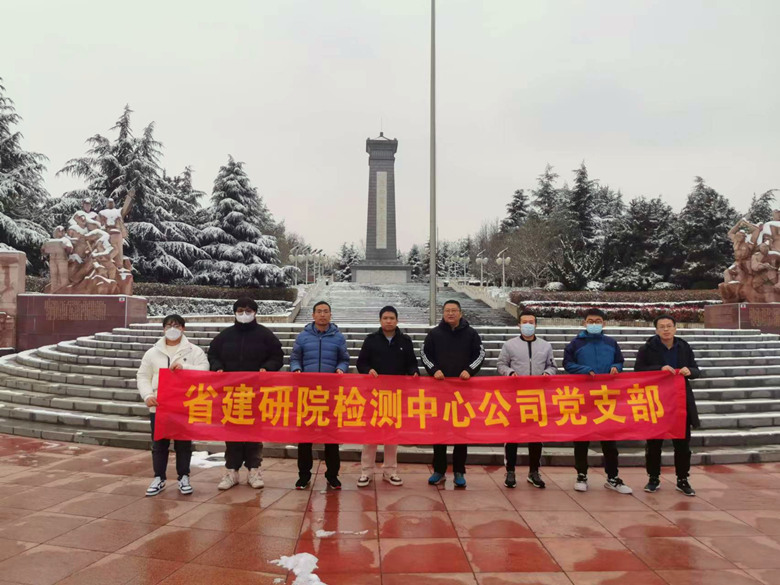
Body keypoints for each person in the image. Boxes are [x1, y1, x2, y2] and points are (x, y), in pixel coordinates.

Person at [208, 297, 283, 491]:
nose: (244, 314)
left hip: (256, 393)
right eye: (240, 310)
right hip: (231, 393)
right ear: (234, 312)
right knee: (232, 433)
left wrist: (267, 368)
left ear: (255, 313)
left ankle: (254, 470)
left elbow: (277, 356)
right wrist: (217, 366)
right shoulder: (225, 335)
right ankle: (231, 471)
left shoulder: (265, 335)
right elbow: (213, 354)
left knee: (254, 433)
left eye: (248, 311)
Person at [137, 314, 209, 496]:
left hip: (183, 405)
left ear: (183, 328)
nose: (172, 329)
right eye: (168, 325)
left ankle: (183, 476)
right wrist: (147, 395)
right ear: (163, 328)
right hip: (159, 404)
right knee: (159, 443)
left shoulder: (193, 351)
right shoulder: (152, 352)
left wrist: (186, 368)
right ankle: (159, 477)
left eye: (176, 325)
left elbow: (205, 370)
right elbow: (143, 376)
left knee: (183, 443)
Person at [563, 308, 632, 494]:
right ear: (584, 323)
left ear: (604, 324)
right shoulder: (575, 344)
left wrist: (616, 367)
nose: (594, 324)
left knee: (609, 441)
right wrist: (584, 370)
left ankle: (612, 477)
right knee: (581, 439)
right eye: (591, 321)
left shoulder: (611, 343)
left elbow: (620, 361)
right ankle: (581, 475)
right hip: (583, 396)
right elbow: (567, 364)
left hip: (606, 397)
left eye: (598, 321)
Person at [420, 299, 485, 488]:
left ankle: (459, 470)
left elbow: (480, 354)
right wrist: (434, 370)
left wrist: (469, 370)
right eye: (447, 310)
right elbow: (424, 354)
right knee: (439, 432)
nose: (450, 313)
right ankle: (439, 470)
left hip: (463, 392)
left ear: (460, 313)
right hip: (439, 391)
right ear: (443, 313)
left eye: (454, 310)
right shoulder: (434, 334)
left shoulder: (471, 334)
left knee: (460, 432)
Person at [635, 314, 700, 497]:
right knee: (654, 443)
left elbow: (696, 370)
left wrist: (690, 371)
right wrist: (659, 369)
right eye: (662, 326)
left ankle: (682, 479)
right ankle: (653, 478)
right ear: (656, 330)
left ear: (675, 328)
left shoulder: (684, 347)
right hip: (656, 400)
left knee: (682, 444)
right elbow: (638, 370)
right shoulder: (647, 348)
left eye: (669, 326)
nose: (666, 329)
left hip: (680, 401)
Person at [355, 305, 419, 488]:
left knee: (392, 435)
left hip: (395, 396)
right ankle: (366, 472)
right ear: (380, 320)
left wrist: (414, 372)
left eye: (392, 318)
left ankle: (390, 471)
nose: (389, 321)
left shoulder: (405, 341)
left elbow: (412, 363)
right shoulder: (371, 340)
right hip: (373, 395)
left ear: (397, 320)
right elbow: (361, 363)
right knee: (371, 435)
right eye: (385, 318)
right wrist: (368, 370)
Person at [290, 300, 350, 490]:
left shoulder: (338, 337)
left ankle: (332, 475)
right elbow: (295, 358)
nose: (322, 315)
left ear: (330, 315)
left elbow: (344, 359)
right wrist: (296, 369)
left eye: (326, 311)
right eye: (319, 311)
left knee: (331, 437)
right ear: (313, 315)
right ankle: (303, 476)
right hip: (307, 394)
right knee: (304, 438)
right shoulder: (303, 337)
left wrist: (341, 369)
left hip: (330, 395)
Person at [496, 309, 557, 489]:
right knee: (512, 436)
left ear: (536, 325)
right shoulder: (509, 345)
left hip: (537, 397)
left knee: (536, 436)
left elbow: (553, 366)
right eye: (525, 322)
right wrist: (509, 372)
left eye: (531, 322)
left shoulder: (545, 346)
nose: (528, 325)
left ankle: (534, 471)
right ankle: (510, 471)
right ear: (519, 325)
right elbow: (501, 364)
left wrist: (548, 373)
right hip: (515, 397)